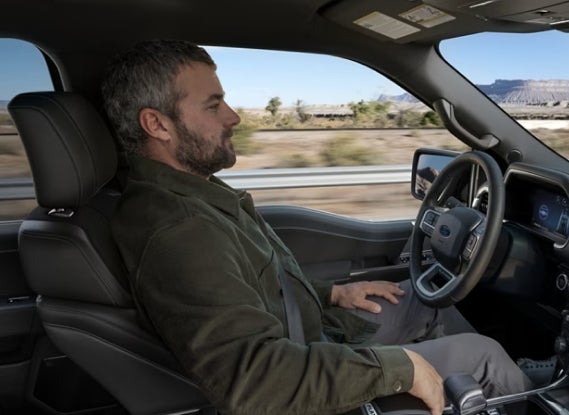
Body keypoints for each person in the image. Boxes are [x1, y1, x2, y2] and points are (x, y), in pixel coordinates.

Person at [101, 39, 533, 415]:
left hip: (313, 336)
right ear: (156, 125)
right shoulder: (179, 231)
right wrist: (401, 369)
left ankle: (490, 388)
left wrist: (331, 294)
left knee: (428, 303)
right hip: (303, 372)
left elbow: (254, 284)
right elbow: (251, 380)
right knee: (485, 357)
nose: (233, 117)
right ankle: (514, 389)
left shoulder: (190, 191)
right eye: (214, 105)